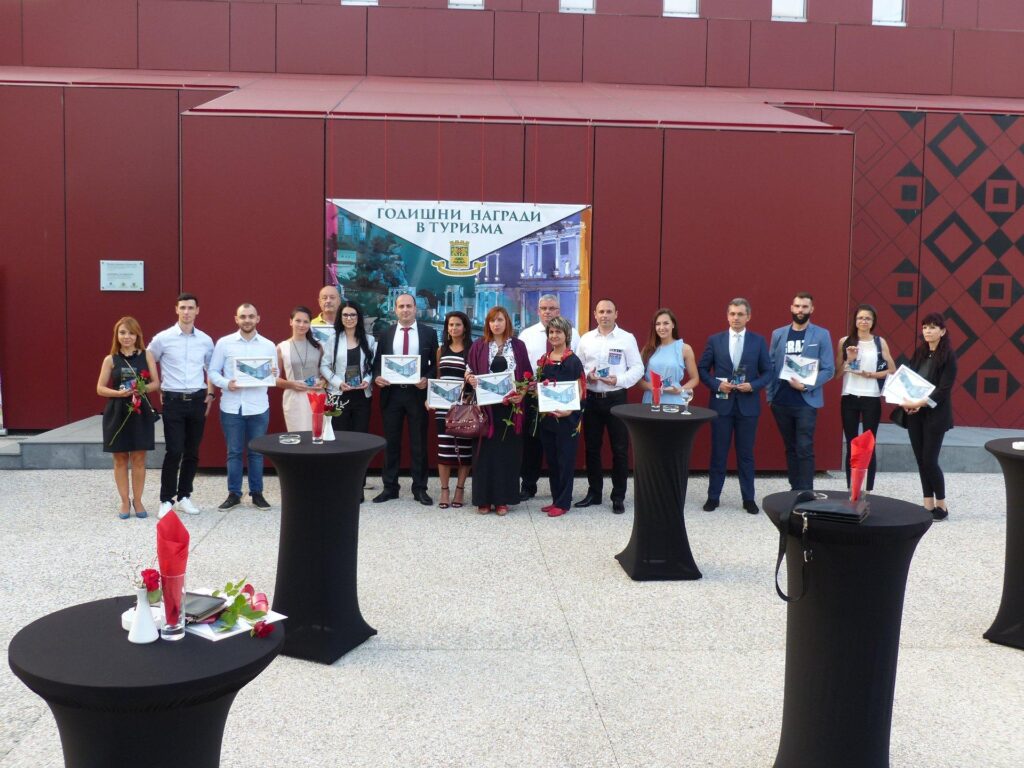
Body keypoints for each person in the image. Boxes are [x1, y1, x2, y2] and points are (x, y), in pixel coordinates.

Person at [697, 298, 772, 514]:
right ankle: (713, 497)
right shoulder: (715, 340)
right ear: (727, 316)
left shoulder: (758, 341)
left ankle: (748, 499)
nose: (736, 318)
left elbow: (768, 371)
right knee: (718, 453)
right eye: (732, 314)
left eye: (740, 314)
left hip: (748, 406)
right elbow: (702, 369)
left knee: (746, 455)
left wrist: (753, 385)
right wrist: (717, 385)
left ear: (748, 317)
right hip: (721, 406)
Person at [574, 298, 644, 513]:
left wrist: (619, 380)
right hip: (592, 399)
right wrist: (587, 375)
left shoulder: (626, 338)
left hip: (616, 399)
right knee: (592, 448)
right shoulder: (586, 339)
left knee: (620, 449)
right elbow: (577, 366)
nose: (604, 315)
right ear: (595, 314)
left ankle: (618, 496)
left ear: (616, 314)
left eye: (609, 311)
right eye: (601, 311)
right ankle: (594, 493)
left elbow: (638, 368)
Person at [149, 293, 215, 519]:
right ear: (176, 309)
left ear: (197, 311)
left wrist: (210, 393)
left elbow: (211, 368)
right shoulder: (163, 338)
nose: (187, 312)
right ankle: (166, 499)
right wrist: (158, 387)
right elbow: (148, 359)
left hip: (197, 400)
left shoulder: (205, 340)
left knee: (192, 452)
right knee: (174, 450)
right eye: (183, 308)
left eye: (190, 308)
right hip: (173, 401)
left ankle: (184, 496)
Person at [208, 303, 277, 511]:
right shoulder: (224, 343)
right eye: (243, 316)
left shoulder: (268, 345)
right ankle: (234, 494)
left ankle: (257, 493)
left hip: (258, 407)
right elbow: (212, 371)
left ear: (258, 318)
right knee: (234, 452)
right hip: (232, 407)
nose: (247, 320)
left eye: (251, 316)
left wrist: (273, 373)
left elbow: (274, 374)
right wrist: (226, 383)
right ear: (236, 319)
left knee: (257, 453)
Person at [372, 292, 438, 505]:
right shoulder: (386, 333)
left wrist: (427, 379)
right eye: (401, 306)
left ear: (415, 309)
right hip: (392, 394)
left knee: (419, 443)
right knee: (391, 443)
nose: (405, 310)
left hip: (417, 394)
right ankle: (390, 487)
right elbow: (377, 363)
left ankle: (420, 488)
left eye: (409, 306)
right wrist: (377, 376)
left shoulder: (429, 333)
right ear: (395, 310)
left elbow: (435, 364)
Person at [465, 306, 532, 515]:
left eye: (500, 320)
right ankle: (483, 500)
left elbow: (527, 375)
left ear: (507, 322)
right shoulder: (479, 345)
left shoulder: (518, 346)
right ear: (488, 324)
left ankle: (503, 499)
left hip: (511, 410)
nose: (496, 324)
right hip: (486, 411)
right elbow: (468, 371)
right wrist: (471, 379)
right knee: (484, 455)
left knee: (507, 455)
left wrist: (522, 394)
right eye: (492, 320)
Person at [767, 292, 835, 491]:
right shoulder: (778, 334)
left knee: (804, 447)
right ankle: (794, 489)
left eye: (805, 307)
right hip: (781, 400)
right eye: (797, 306)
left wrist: (806, 386)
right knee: (790, 448)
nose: (800, 310)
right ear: (791, 307)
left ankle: (806, 491)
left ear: (811, 309)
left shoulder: (822, 334)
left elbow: (829, 370)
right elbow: (771, 365)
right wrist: (770, 396)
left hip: (806, 401)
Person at [517, 294, 580, 500]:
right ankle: (528, 485)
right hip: (534, 397)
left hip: (563, 399)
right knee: (532, 443)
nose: (547, 312)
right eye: (543, 308)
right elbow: (521, 366)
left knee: (560, 446)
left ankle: (561, 494)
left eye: (552, 308)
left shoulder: (574, 334)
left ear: (558, 311)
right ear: (538, 311)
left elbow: (578, 366)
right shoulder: (526, 335)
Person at [97, 317, 161, 519]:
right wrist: (118, 393)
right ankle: (124, 501)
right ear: (117, 335)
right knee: (120, 459)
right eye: (123, 332)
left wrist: (141, 388)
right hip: (117, 412)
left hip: (140, 411)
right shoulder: (110, 359)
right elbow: (100, 388)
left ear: (137, 335)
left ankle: (138, 500)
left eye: (131, 333)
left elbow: (156, 383)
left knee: (139, 458)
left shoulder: (146, 355)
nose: (127, 337)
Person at [900, 313, 957, 521]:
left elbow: (944, 389)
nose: (928, 331)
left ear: (942, 331)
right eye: (925, 327)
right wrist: (908, 402)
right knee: (920, 460)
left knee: (930, 460)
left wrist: (921, 403)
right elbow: (909, 379)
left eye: (933, 327)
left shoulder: (948, 356)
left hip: (936, 414)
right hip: (916, 414)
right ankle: (927, 504)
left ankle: (941, 505)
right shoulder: (920, 352)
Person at [836, 304, 895, 493]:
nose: (863, 321)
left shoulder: (879, 342)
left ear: (873, 322)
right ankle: (851, 488)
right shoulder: (845, 341)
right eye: (860, 318)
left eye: (867, 318)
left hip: (871, 397)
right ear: (855, 320)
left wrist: (871, 375)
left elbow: (892, 369)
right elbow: (837, 374)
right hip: (849, 396)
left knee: (869, 443)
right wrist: (849, 359)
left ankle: (868, 489)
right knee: (851, 442)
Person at [533, 316, 586, 518]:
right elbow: (541, 385)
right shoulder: (544, 359)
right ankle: (556, 499)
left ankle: (564, 503)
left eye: (558, 332)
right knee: (552, 461)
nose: (554, 335)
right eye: (551, 332)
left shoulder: (573, 361)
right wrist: (537, 391)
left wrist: (570, 411)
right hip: (548, 419)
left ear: (567, 335)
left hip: (567, 419)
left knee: (565, 461)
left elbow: (580, 390)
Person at [427, 311, 473, 510]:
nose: (453, 328)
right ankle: (444, 489)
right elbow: (438, 377)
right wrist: (430, 398)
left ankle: (460, 489)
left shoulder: (472, 350)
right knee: (444, 449)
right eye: (450, 325)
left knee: (464, 449)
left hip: (464, 407)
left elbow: (474, 379)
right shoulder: (441, 350)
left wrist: (468, 398)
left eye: (457, 325)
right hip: (443, 407)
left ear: (465, 327)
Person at [321, 301, 375, 435]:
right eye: (345, 315)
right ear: (340, 317)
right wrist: (338, 383)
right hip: (338, 394)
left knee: (360, 435)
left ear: (358, 317)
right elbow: (324, 366)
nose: (349, 318)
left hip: (362, 395)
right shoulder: (333, 340)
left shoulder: (369, 340)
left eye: (353, 315)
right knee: (339, 436)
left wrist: (367, 380)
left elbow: (373, 366)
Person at [276, 306, 323, 433]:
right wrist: (291, 384)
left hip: (316, 396)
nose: (301, 325)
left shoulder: (318, 347)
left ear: (310, 324)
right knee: (298, 436)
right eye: (298, 320)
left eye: (305, 321)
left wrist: (323, 382)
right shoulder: (282, 348)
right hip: (294, 398)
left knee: (318, 435)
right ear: (291, 321)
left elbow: (325, 372)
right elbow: (274, 379)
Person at [638, 308, 698, 405]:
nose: (662, 327)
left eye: (666, 323)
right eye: (658, 324)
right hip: (651, 400)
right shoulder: (648, 349)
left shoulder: (684, 349)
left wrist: (680, 390)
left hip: (674, 400)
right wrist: (650, 386)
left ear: (673, 324)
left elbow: (695, 378)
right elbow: (637, 377)